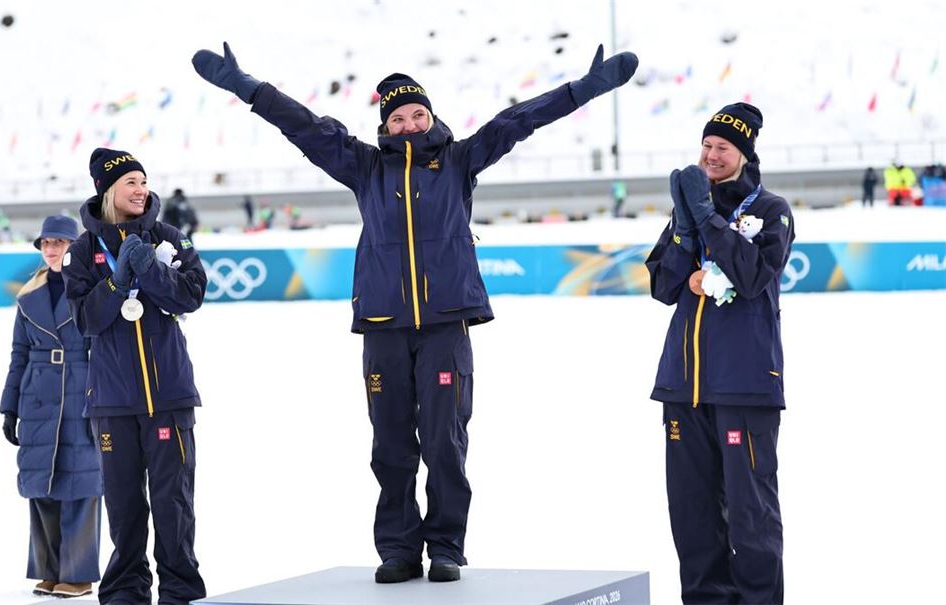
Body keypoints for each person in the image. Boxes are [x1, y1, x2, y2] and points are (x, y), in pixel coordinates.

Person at [192, 41, 638, 584]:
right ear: (386, 123)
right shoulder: (363, 166)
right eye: (398, 117)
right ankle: (399, 548)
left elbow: (520, 120)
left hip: (446, 323)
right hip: (383, 324)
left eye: (417, 115)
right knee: (392, 444)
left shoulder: (460, 159)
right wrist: (247, 87)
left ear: (432, 117)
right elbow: (303, 126)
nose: (408, 125)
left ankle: (446, 545)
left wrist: (585, 89)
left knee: (446, 442)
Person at [645, 102, 794, 604]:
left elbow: (752, 277)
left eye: (722, 148)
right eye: (706, 146)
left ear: (744, 154)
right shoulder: (688, 206)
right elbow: (663, 286)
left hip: (745, 385)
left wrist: (708, 219)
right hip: (683, 386)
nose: (710, 156)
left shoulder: (771, 210)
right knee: (693, 517)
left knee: (750, 517)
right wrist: (686, 229)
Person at [62, 148, 208, 605]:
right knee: (125, 509)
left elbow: (192, 295)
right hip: (112, 402)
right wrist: (117, 281)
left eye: (144, 181)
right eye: (131, 183)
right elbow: (86, 319)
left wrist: (152, 269)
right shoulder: (82, 252)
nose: (142, 189)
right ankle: (125, 591)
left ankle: (180, 592)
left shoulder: (170, 237)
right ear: (108, 191)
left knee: (173, 506)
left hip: (169, 396)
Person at [0, 214, 102, 599]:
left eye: (59, 242)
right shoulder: (28, 297)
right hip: (39, 396)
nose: (51, 249)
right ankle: (50, 569)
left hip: (83, 392)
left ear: (74, 247)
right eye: (46, 243)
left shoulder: (91, 291)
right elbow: (18, 354)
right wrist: (9, 407)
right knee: (42, 486)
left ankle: (78, 574)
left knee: (82, 484)